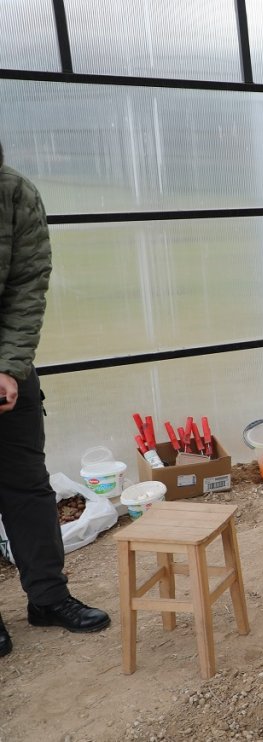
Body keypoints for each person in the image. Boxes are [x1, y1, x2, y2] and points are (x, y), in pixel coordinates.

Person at [0, 143, 111, 657]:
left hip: (9, 373)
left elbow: (28, 283)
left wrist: (8, 365)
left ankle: (47, 599)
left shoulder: (14, 192)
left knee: (28, 489)